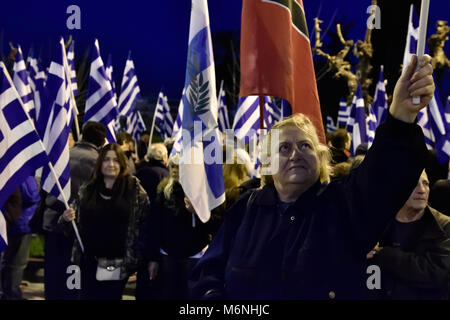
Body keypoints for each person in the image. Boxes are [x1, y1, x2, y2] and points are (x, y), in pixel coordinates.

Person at [190, 54, 435, 299]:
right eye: (284, 148)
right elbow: (208, 273)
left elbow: (384, 174)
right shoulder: (245, 208)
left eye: (305, 146)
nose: (296, 154)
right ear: (266, 163)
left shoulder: (343, 205)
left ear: (321, 158)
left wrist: (401, 114)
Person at [60, 144, 149, 300]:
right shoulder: (88, 188)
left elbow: (146, 223)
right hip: (88, 260)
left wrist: (136, 257)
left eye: (115, 160)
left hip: (118, 262)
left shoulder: (134, 188)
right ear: (100, 163)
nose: (111, 164)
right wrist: (66, 219)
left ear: (122, 163)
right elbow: (71, 228)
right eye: (106, 159)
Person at [42, 121, 106, 300]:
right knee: (73, 275)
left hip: (53, 223)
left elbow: (45, 190)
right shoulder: (98, 163)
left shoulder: (63, 156)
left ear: (83, 135)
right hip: (77, 228)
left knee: (54, 273)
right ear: (102, 141)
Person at [367, 171, 450, 299]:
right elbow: (369, 278)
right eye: (414, 183)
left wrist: (384, 254)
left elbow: (435, 274)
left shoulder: (445, 226)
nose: (422, 190)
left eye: (425, 183)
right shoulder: (374, 222)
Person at [141, 153, 214, 299]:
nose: (175, 170)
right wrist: (153, 258)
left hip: (193, 253)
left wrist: (198, 211)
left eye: (179, 166)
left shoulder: (200, 191)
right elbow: (155, 226)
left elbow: (211, 224)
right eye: (173, 166)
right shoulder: (163, 191)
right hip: (168, 253)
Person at [0, 177, 39, 300]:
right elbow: (31, 195)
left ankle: (8, 292)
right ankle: (11, 294)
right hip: (20, 224)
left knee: (9, 262)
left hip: (16, 223)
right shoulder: (22, 175)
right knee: (16, 263)